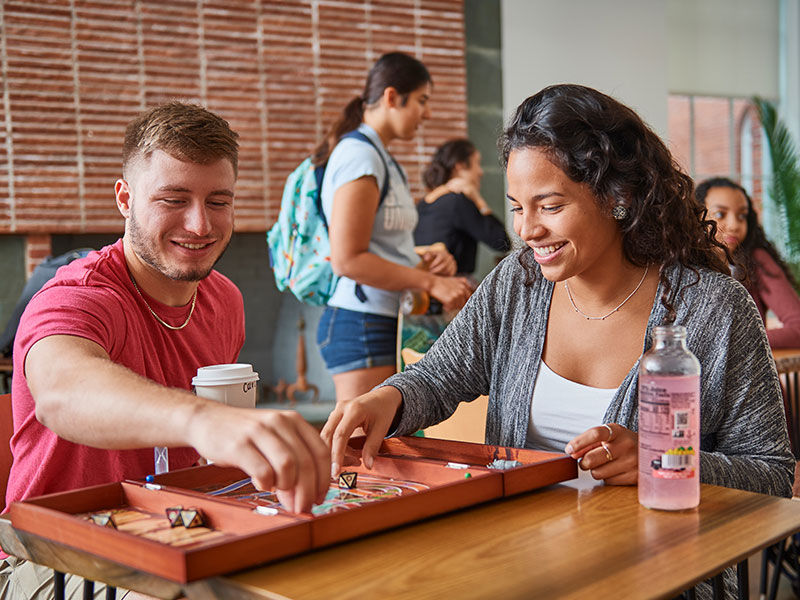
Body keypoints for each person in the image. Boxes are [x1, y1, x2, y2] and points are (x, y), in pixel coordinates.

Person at [324, 84, 793, 495]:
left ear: (618, 198)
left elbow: (773, 473)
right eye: (517, 207)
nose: (527, 230)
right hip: (523, 562)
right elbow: (437, 377)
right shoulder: (518, 282)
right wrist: (387, 398)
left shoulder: (714, 309)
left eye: (549, 206)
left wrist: (663, 461)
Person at [1, 102, 330, 599]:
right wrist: (204, 420)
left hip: (177, 536)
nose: (200, 225)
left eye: (219, 201)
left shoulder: (226, 299)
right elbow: (60, 391)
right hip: (52, 556)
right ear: (124, 198)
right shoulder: (77, 296)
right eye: (173, 199)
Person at [314, 52, 472, 402]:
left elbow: (381, 248)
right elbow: (348, 260)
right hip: (362, 324)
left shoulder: (380, 157)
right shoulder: (360, 157)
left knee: (380, 445)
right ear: (390, 97)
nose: (427, 113)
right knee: (357, 446)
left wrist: (428, 260)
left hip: (382, 319)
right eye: (422, 101)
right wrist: (432, 282)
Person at [696, 177, 800, 348]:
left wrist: (732, 344)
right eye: (721, 214)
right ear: (697, 217)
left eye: (742, 216)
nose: (734, 225)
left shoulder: (756, 261)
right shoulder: (680, 266)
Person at [415, 138, 510, 276]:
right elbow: (502, 241)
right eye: (477, 163)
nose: (480, 172)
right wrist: (477, 199)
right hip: (454, 289)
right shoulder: (457, 202)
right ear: (459, 166)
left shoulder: (423, 204)